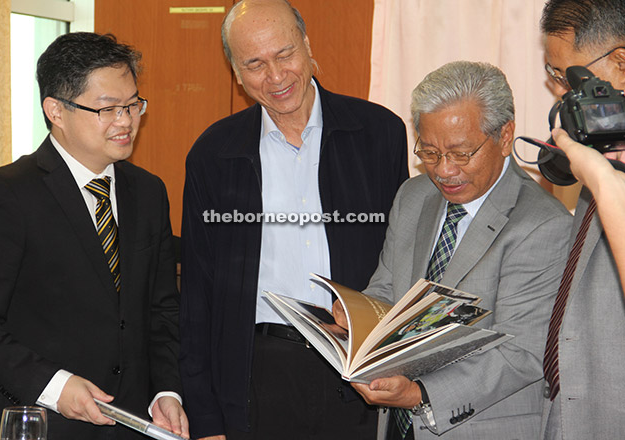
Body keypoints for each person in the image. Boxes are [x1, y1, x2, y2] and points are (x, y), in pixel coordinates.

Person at [178, 0, 409, 438]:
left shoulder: (379, 133)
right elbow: (197, 297)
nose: (276, 76)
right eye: (256, 64)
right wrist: (205, 418)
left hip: (357, 372)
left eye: (285, 54)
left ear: (307, 45)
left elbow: (402, 260)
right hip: (257, 374)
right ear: (237, 72)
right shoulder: (213, 154)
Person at [0, 32, 188, 440]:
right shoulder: (5, 193)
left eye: (133, 105)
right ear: (56, 110)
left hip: (131, 424)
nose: (126, 121)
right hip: (37, 422)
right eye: (107, 109)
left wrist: (166, 390)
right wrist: (56, 385)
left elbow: (161, 312)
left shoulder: (148, 191)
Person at [346, 61, 572, 439]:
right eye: (430, 153)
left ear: (504, 136)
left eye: (461, 153)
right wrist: (350, 319)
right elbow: (386, 292)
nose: (444, 171)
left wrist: (420, 394)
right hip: (396, 427)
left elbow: (520, 354)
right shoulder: (413, 197)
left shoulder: (541, 224)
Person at [540, 1, 625, 438]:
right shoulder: (603, 144)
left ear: (621, 61)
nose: (559, 91)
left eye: (563, 75)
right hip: (570, 409)